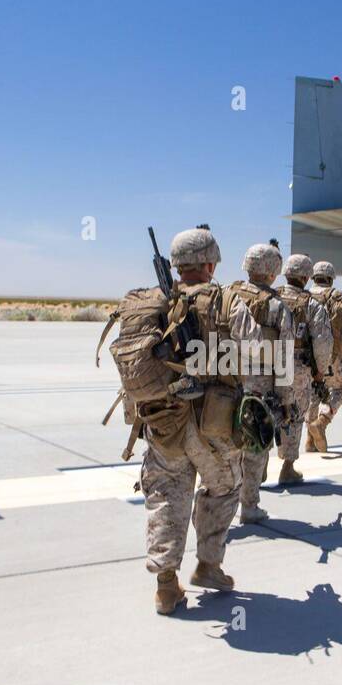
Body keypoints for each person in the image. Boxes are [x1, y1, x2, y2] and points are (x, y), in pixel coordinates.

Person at [138, 226, 264, 615]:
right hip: (216, 425)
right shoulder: (228, 302)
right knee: (224, 490)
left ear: (177, 264)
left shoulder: (155, 302)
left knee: (166, 498)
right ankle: (209, 565)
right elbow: (257, 351)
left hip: (164, 422)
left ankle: (165, 586)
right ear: (210, 263)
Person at [229, 243, 295, 524]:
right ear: (273, 272)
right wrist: (286, 399)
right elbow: (284, 357)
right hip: (260, 388)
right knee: (255, 446)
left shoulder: (227, 296)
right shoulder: (278, 306)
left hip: (226, 381)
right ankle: (249, 507)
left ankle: (220, 503)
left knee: (225, 444)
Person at [276, 254, 333, 484]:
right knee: (294, 415)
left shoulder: (272, 296)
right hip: (297, 367)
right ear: (305, 276)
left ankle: (257, 468)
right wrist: (320, 369)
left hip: (267, 364)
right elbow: (322, 341)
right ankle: (287, 468)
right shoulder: (311, 304)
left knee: (266, 411)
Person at [306, 260, 342, 450]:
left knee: (312, 395)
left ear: (313, 277)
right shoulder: (339, 297)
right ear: (331, 278)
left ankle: (309, 440)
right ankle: (321, 422)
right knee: (337, 391)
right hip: (332, 356)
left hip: (305, 356)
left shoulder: (303, 295)